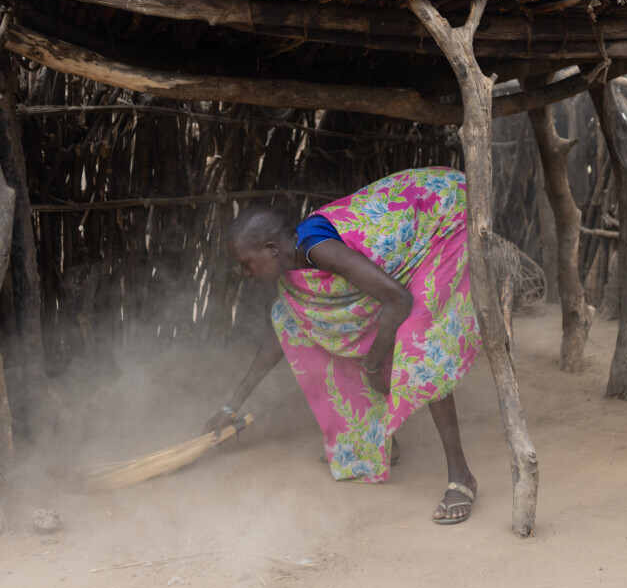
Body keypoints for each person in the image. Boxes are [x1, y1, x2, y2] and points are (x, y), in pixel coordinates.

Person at [206, 166, 480, 524]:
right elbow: (282, 334)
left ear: (271, 249)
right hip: (415, 230)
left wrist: (373, 364)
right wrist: (231, 406)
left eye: (246, 264)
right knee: (322, 329)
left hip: (444, 214)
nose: (245, 274)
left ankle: (461, 475)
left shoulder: (322, 251)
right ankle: (380, 441)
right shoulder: (292, 269)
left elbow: (398, 300)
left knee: (418, 342)